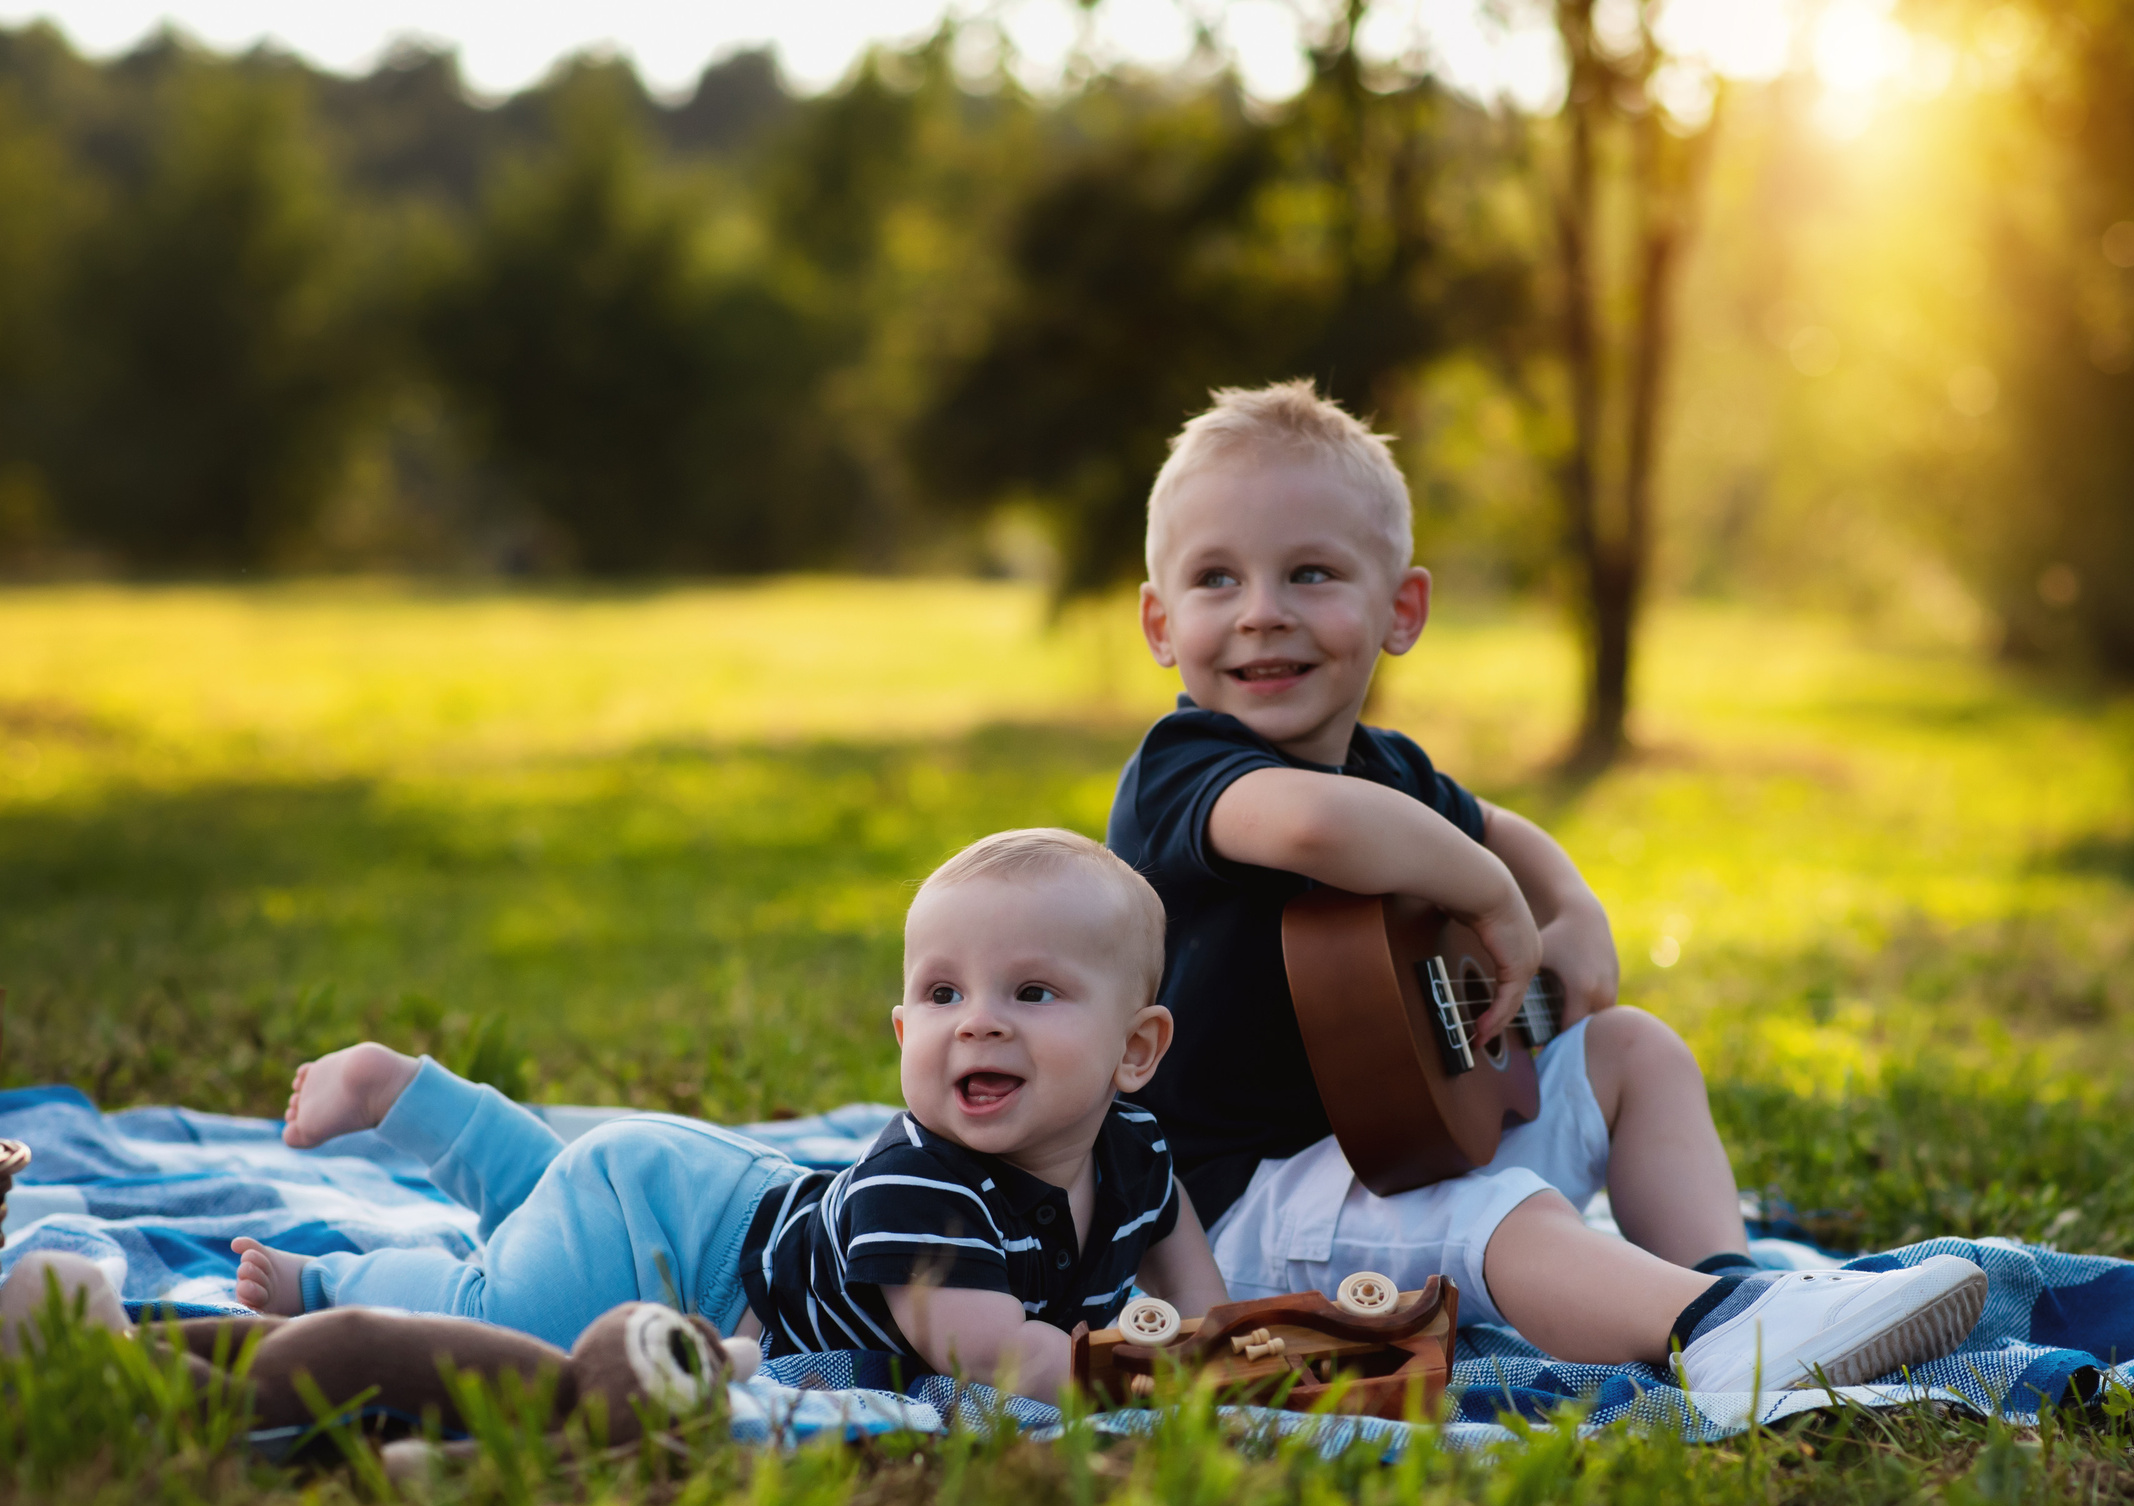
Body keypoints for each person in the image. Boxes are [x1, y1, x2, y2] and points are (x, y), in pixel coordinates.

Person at [1107, 380, 1986, 1393]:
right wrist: (1489, 894)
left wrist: (1573, 913)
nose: (1263, 614)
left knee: (1634, 1050)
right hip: (1239, 1214)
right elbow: (1310, 822)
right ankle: (1705, 1334)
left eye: (1310, 573)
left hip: (1415, 1138)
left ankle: (1730, 1287)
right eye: (1217, 580)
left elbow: (1501, 828)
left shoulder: (1391, 768)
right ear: (1160, 623)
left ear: (1402, 609)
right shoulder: (1182, 766)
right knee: (1499, 1217)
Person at [231, 829, 1228, 1402]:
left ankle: (417, 1101)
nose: (977, 1026)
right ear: (900, 1026)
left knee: (553, 1199)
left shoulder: (1131, 1146)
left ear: (1134, 1050)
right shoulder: (921, 1191)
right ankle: (335, 1270)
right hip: (686, 1251)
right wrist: (1151, 1376)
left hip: (701, 1192)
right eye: (941, 995)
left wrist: (1216, 1330)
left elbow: (1176, 1248)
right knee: (503, 1314)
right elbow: (992, 1354)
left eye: (1032, 993)